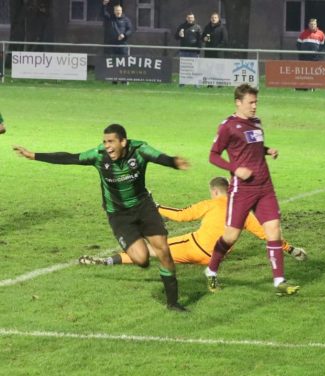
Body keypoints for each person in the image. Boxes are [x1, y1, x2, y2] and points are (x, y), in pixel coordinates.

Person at [13, 124, 191, 311]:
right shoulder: (98, 156)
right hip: (119, 215)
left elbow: (159, 157)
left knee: (164, 251)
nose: (107, 146)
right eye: (105, 141)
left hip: (144, 207)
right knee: (142, 260)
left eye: (111, 141)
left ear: (123, 141)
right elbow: (69, 157)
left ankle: (173, 303)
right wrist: (34, 155)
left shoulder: (140, 150)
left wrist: (174, 162)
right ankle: (142, 245)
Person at [79, 176, 307, 267]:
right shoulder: (243, 211)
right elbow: (266, 234)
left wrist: (154, 205)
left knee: (152, 249)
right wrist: (291, 249)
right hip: (215, 258)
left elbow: (181, 215)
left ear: (215, 191)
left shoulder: (212, 203)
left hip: (197, 247)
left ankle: (105, 261)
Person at [207, 84, 299, 296]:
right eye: (251, 102)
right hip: (242, 190)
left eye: (256, 102)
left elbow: (253, 147)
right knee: (230, 237)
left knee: (274, 230)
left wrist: (268, 150)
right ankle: (211, 271)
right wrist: (235, 169)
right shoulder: (228, 126)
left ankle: (279, 282)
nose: (255, 106)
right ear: (238, 103)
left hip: (265, 186)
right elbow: (213, 155)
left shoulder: (256, 122)